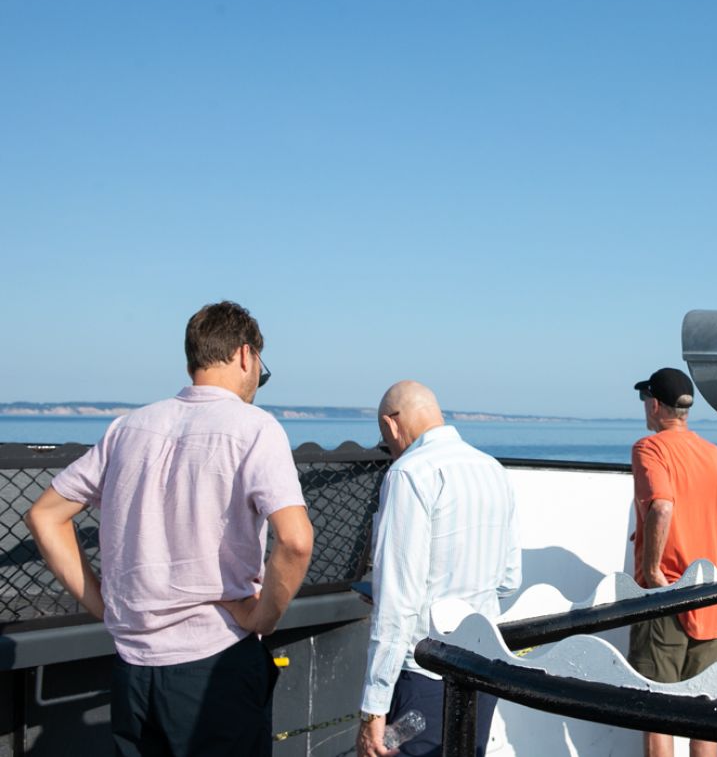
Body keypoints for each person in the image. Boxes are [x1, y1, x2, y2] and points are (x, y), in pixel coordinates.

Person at [24, 300, 314, 756]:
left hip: (132, 666)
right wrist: (263, 618)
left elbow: (45, 514)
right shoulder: (254, 428)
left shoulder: (128, 428)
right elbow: (295, 541)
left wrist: (103, 605)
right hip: (216, 661)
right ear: (245, 355)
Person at [356, 381, 521, 757]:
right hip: (482, 668)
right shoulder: (493, 470)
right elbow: (510, 581)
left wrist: (373, 709)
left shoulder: (409, 473)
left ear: (392, 424)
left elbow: (398, 603)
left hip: (425, 673)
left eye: (387, 441)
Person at [629, 368, 717, 757]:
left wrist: (650, 571)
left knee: (656, 710)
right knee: (703, 713)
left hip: (667, 597)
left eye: (646, 399)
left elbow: (661, 506)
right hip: (711, 598)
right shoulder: (715, 455)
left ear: (656, 404)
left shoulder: (650, 448)